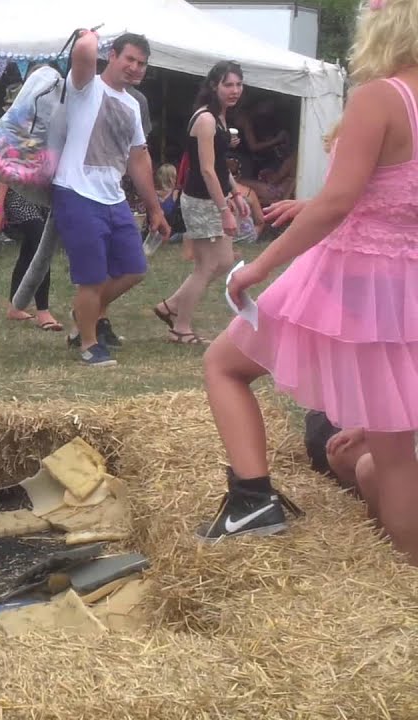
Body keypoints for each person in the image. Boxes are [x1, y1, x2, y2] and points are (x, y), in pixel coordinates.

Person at [199, 0, 418, 565]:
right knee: (395, 455)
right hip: (404, 283)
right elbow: (387, 191)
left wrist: (257, 266)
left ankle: (251, 499)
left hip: (351, 276)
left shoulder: (382, 96)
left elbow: (343, 202)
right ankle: (407, 583)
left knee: (223, 364)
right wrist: (318, 204)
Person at [52, 32, 170, 367]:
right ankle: (88, 342)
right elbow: (84, 51)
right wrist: (90, 35)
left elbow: (138, 158)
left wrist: (154, 207)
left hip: (112, 196)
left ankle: (83, 314)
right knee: (91, 277)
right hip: (76, 192)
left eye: (142, 63)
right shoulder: (85, 87)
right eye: (129, 59)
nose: (134, 68)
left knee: (134, 268)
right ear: (112, 55)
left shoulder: (133, 104)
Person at [154, 61, 246, 346]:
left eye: (238, 85)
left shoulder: (219, 119)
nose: (234, 90)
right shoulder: (206, 119)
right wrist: (224, 210)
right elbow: (206, 170)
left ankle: (170, 306)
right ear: (214, 86)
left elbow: (219, 167)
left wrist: (237, 193)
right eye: (228, 85)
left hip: (214, 197)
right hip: (201, 200)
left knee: (224, 262)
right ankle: (180, 327)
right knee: (206, 266)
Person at [0, 183, 60, 330]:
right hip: (18, 195)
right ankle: (43, 311)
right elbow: (5, 172)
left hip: (40, 195)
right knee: (41, 245)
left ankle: (14, 307)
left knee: (28, 252)